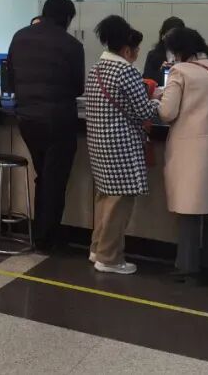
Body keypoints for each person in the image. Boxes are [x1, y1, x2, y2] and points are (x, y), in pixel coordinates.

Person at [155, 27, 208, 284]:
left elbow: (167, 113)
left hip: (190, 151)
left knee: (189, 210)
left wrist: (160, 98)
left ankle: (187, 267)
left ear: (179, 50)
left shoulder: (180, 72)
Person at [7, 0, 85, 251]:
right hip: (58, 120)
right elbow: (78, 87)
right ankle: (47, 238)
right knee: (55, 180)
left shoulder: (20, 37)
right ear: (67, 18)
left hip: (26, 118)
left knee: (44, 176)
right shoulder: (72, 45)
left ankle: (40, 232)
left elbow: (10, 78)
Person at [84, 15, 159, 275]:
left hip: (100, 144)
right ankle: (109, 258)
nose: (137, 54)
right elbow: (144, 111)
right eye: (136, 50)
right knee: (119, 204)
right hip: (121, 147)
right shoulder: (125, 71)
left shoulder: (97, 69)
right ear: (127, 50)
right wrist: (157, 102)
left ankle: (97, 248)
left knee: (105, 199)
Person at [143, 16, 185, 87]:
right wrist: (161, 71)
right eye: (170, 35)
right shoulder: (153, 55)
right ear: (163, 36)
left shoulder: (189, 55)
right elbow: (146, 80)